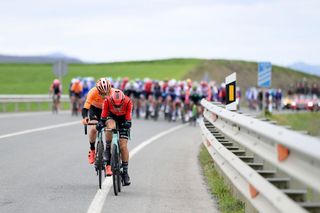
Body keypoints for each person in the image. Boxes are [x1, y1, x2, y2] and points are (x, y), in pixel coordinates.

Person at [96, 89, 133, 186]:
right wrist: (100, 123)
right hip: (111, 116)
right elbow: (103, 116)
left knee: (123, 146)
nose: (117, 107)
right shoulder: (107, 101)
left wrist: (127, 124)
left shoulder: (128, 101)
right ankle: (108, 149)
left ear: (123, 101)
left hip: (123, 119)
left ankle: (125, 172)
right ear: (111, 100)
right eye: (115, 105)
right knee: (110, 127)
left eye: (119, 105)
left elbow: (128, 118)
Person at [81, 78, 112, 174]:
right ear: (98, 90)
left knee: (109, 129)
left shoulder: (112, 93)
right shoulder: (92, 92)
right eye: (102, 93)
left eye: (106, 93)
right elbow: (85, 108)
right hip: (95, 110)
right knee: (94, 127)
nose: (104, 95)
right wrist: (85, 117)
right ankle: (92, 149)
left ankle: (108, 163)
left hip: (107, 110)